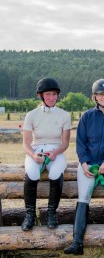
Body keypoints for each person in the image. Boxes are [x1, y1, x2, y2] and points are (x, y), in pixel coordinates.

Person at [64, 79, 104, 255]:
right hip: (89, 162)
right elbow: (81, 143)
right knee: (83, 195)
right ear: (95, 97)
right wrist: (84, 164)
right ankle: (77, 243)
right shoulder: (87, 116)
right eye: (101, 94)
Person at [21, 77, 71, 231]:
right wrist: (33, 155)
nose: (51, 98)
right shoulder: (31, 115)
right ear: (40, 96)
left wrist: (56, 153)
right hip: (36, 149)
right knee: (32, 173)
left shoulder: (64, 115)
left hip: (55, 150)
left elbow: (65, 143)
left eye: (54, 94)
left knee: (56, 173)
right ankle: (29, 215)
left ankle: (51, 214)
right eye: (48, 94)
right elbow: (26, 143)